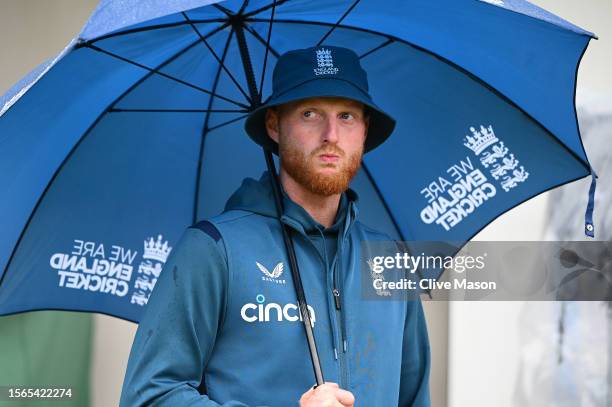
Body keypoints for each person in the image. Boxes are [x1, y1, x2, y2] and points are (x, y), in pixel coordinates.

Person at [120, 45, 431, 406]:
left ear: (364, 131)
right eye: (310, 113)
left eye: (347, 116)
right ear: (273, 125)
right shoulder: (215, 248)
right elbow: (149, 397)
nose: (331, 134)